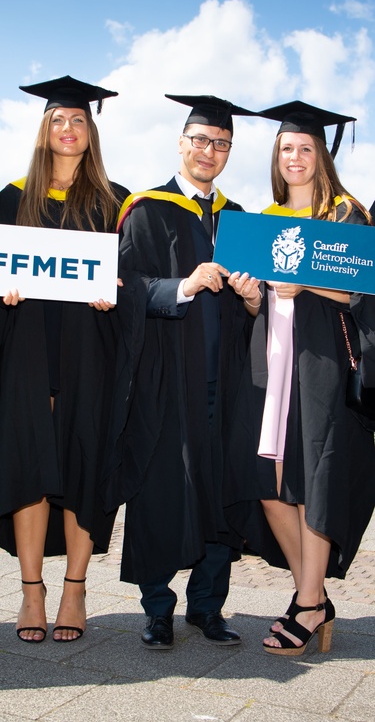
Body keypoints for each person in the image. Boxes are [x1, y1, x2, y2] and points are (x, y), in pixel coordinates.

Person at [103, 94, 259, 649]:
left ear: (229, 152)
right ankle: (158, 609)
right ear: (181, 143)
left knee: (220, 490)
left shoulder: (241, 221)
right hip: (166, 382)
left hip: (225, 382)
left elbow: (255, 312)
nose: (209, 151)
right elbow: (125, 293)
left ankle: (208, 607)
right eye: (200, 140)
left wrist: (252, 302)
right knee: (161, 491)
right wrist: (183, 287)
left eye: (221, 144)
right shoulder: (146, 210)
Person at [230, 100, 375, 656]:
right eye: (287, 148)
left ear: (322, 156)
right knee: (270, 487)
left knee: (313, 484)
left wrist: (305, 282)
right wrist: (251, 297)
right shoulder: (261, 223)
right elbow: (263, 307)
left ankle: (309, 604)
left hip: (322, 369)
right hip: (271, 366)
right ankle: (310, 594)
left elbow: (361, 293)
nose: (295, 157)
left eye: (305, 148)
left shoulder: (345, 216)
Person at [0, 75, 130, 643]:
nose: (68, 128)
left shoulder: (115, 200)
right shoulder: (12, 196)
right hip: (27, 349)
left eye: (78, 119)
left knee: (83, 465)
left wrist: (117, 288)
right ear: (44, 129)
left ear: (91, 129)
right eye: (58, 119)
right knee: (29, 467)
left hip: (88, 354)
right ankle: (32, 591)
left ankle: (75, 588)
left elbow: (132, 277)